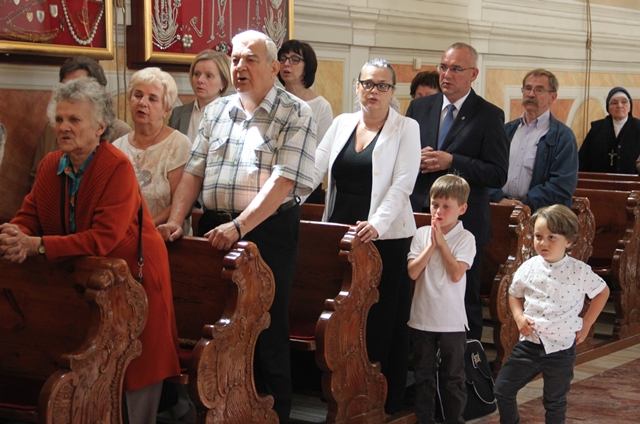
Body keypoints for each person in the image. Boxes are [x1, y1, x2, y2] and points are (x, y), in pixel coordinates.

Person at [157, 30, 316, 423]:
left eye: (250, 59)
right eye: (235, 59)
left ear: (275, 68)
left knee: (265, 328)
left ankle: (273, 414)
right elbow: (194, 171)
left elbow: (284, 181)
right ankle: (221, 411)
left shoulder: (295, 112)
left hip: (267, 231)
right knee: (217, 327)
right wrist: (176, 220)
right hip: (215, 227)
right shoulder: (216, 111)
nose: (240, 66)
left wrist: (240, 227)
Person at [0, 77, 180, 424]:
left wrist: (37, 245)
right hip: (87, 284)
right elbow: (29, 216)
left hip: (132, 282)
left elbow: (102, 240)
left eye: (74, 119)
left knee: (134, 376)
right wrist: (14, 235)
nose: (64, 127)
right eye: (59, 119)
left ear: (100, 126)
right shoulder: (52, 164)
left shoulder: (117, 167)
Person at [311, 58, 421, 414]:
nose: (374, 91)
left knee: (379, 319)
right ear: (357, 86)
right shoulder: (342, 123)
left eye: (382, 85)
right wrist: (283, 197)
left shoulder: (406, 127)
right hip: (340, 233)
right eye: (368, 84)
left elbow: (403, 183)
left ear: (392, 91)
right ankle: (341, 389)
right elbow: (314, 168)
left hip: (384, 237)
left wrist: (377, 223)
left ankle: (379, 398)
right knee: (342, 315)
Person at [406, 42, 509, 341]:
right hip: (422, 214)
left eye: (456, 69)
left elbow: (497, 174)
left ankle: (466, 362)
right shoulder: (420, 108)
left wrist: (452, 162)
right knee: (418, 294)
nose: (446, 74)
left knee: (463, 297)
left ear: (473, 74)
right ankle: (420, 360)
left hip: (466, 221)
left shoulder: (489, 115)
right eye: (443, 67)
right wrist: (413, 158)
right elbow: (402, 158)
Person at [493, 204, 610, 424]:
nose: (543, 243)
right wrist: (518, 317)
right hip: (530, 344)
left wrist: (586, 323)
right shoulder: (528, 267)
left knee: (554, 402)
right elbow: (514, 294)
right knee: (502, 389)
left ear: (568, 241)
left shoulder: (579, 271)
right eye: (538, 236)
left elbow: (602, 292)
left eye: (552, 237)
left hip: (561, 349)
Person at [408, 174, 475, 424]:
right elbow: (413, 272)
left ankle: (454, 420)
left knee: (453, 377)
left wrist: (442, 244)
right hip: (422, 316)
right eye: (435, 204)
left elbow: (456, 274)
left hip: (451, 320)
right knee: (423, 375)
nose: (439, 211)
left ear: (462, 209)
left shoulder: (466, 238)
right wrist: (431, 244)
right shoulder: (421, 233)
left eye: (446, 206)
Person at [30, 56, 131, 187]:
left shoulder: (120, 140)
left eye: (81, 87)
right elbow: (36, 180)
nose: (71, 93)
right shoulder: (51, 132)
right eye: (66, 87)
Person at [113, 68, 192, 234]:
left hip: (163, 237)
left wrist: (144, 227)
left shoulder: (178, 144)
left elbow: (181, 202)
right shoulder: (117, 147)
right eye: (138, 95)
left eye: (152, 99)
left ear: (166, 110)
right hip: (122, 235)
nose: (142, 102)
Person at [489, 69, 578, 212]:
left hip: (541, 215)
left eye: (539, 90)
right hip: (500, 208)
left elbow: (562, 185)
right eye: (528, 88)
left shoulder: (563, 137)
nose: (531, 94)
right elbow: (489, 169)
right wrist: (499, 198)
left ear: (552, 97)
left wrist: (525, 204)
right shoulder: (506, 130)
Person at [169, 50, 231, 142]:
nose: (200, 80)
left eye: (208, 76)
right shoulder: (178, 114)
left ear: (223, 83)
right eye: (197, 74)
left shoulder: (231, 116)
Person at [277, 39, 333, 143]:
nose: (286, 63)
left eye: (295, 59)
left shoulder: (321, 106)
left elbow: (324, 148)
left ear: (307, 67)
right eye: (283, 58)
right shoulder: (274, 100)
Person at [579, 87, 640, 174]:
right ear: (608, 108)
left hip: (632, 181)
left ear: (630, 106)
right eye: (614, 102)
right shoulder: (597, 129)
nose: (619, 106)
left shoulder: (638, 127)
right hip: (601, 180)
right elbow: (583, 159)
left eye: (624, 102)